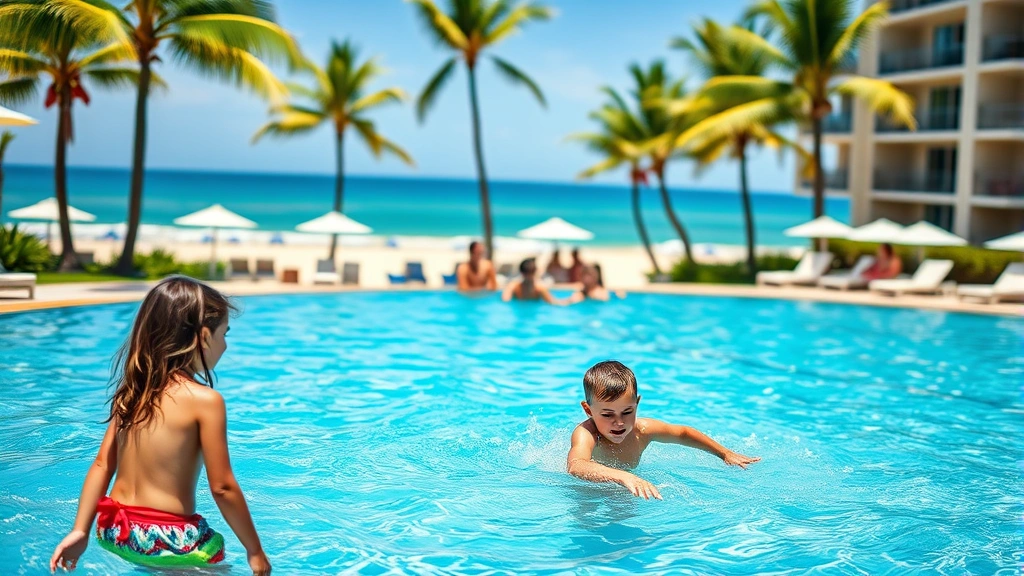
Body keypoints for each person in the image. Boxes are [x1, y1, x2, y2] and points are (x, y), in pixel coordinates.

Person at [49, 276, 270, 574]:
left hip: (116, 530)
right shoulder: (206, 401)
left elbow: (102, 465)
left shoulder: (131, 392)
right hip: (169, 541)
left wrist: (80, 530)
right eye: (223, 334)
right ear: (203, 336)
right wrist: (255, 550)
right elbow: (222, 487)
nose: (226, 345)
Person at [567, 360, 760, 500]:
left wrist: (724, 453)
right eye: (608, 415)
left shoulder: (641, 430)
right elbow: (576, 465)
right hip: (588, 486)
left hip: (628, 482)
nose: (619, 422)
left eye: (627, 412)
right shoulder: (587, 434)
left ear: (637, 403)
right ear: (588, 410)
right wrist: (623, 476)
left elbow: (683, 433)